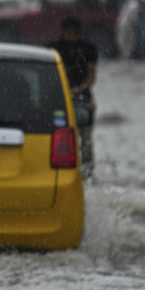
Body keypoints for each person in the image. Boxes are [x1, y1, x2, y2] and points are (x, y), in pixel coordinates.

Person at [49, 15, 99, 178]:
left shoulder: (88, 49)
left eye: (73, 32)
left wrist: (75, 91)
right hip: (57, 98)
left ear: (79, 33)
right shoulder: (53, 49)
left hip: (83, 99)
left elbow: (91, 77)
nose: (70, 36)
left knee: (85, 139)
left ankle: (86, 174)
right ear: (62, 32)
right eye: (67, 32)